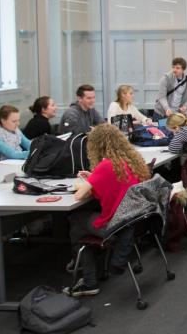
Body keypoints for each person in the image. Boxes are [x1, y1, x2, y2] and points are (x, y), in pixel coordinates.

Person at [64, 124, 151, 297]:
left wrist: (90, 180)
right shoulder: (132, 161)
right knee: (80, 225)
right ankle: (88, 266)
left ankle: (88, 280)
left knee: (76, 220)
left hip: (116, 226)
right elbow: (116, 184)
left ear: (97, 145)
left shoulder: (105, 166)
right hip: (136, 222)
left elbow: (79, 195)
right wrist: (94, 178)